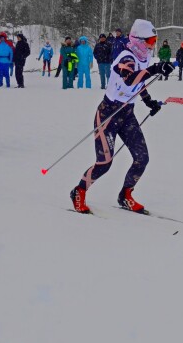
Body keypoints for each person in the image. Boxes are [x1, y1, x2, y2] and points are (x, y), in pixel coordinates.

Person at [70, 19, 174, 215]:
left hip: (126, 114)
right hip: (108, 114)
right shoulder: (125, 57)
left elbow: (139, 83)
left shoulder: (143, 58)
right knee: (104, 163)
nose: (153, 45)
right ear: (139, 40)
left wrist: (149, 101)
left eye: (155, 40)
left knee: (142, 158)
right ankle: (79, 191)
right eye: (150, 41)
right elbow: (129, 79)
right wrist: (155, 69)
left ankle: (125, 195)